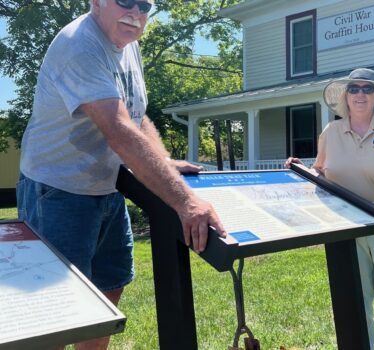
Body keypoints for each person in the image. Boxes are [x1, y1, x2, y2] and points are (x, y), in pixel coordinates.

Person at [16, 0, 226, 349]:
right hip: (56, 191)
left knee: (106, 296)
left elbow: (136, 117)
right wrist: (187, 201)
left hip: (109, 186)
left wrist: (161, 161)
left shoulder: (128, 44)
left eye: (144, 5)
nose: (136, 12)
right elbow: (118, 130)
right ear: (96, 2)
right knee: (52, 315)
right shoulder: (79, 44)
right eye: (125, 1)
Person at [285, 68, 374, 349]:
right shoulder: (331, 132)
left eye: (367, 89)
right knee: (356, 296)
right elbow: (320, 171)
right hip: (344, 223)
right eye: (354, 89)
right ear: (345, 96)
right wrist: (300, 170)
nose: (360, 94)